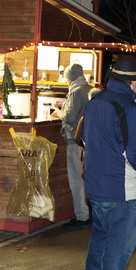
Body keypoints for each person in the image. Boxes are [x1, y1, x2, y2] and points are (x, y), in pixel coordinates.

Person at [81, 55, 136, 270]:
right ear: (133, 83)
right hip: (121, 187)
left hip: (96, 185)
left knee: (100, 238)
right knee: (121, 243)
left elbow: (84, 139)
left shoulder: (94, 102)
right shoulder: (128, 107)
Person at [59, 63, 91, 229]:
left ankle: (82, 216)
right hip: (88, 141)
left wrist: (58, 112)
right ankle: (89, 213)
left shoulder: (76, 91)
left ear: (69, 77)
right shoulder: (89, 89)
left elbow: (70, 117)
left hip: (74, 140)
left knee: (76, 180)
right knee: (87, 178)